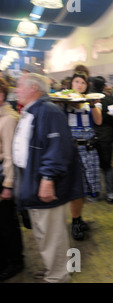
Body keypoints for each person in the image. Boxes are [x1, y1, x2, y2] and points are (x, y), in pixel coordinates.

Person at [12, 73, 84, 283]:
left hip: (45, 182)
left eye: (19, 86)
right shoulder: (33, 111)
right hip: (33, 180)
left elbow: (57, 149)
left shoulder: (48, 111)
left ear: (33, 88)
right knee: (43, 232)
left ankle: (58, 277)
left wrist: (48, 178)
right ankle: (53, 268)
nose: (16, 90)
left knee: (52, 234)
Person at [62, 71, 102, 240]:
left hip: (88, 149)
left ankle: (78, 217)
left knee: (85, 188)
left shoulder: (92, 102)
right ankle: (76, 221)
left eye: (82, 83)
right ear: (71, 84)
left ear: (87, 86)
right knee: (76, 188)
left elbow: (99, 121)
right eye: (76, 82)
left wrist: (92, 104)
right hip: (72, 150)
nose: (79, 85)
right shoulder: (63, 103)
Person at [0, 77, 23, 281]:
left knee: (6, 223)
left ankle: (15, 261)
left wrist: (7, 185)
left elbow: (9, 155)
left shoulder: (8, 118)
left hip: (3, 178)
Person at [92, 76, 113, 204]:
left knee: (95, 166)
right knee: (108, 166)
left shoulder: (89, 99)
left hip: (93, 135)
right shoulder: (109, 99)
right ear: (104, 86)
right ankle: (111, 193)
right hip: (107, 136)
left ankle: (95, 193)